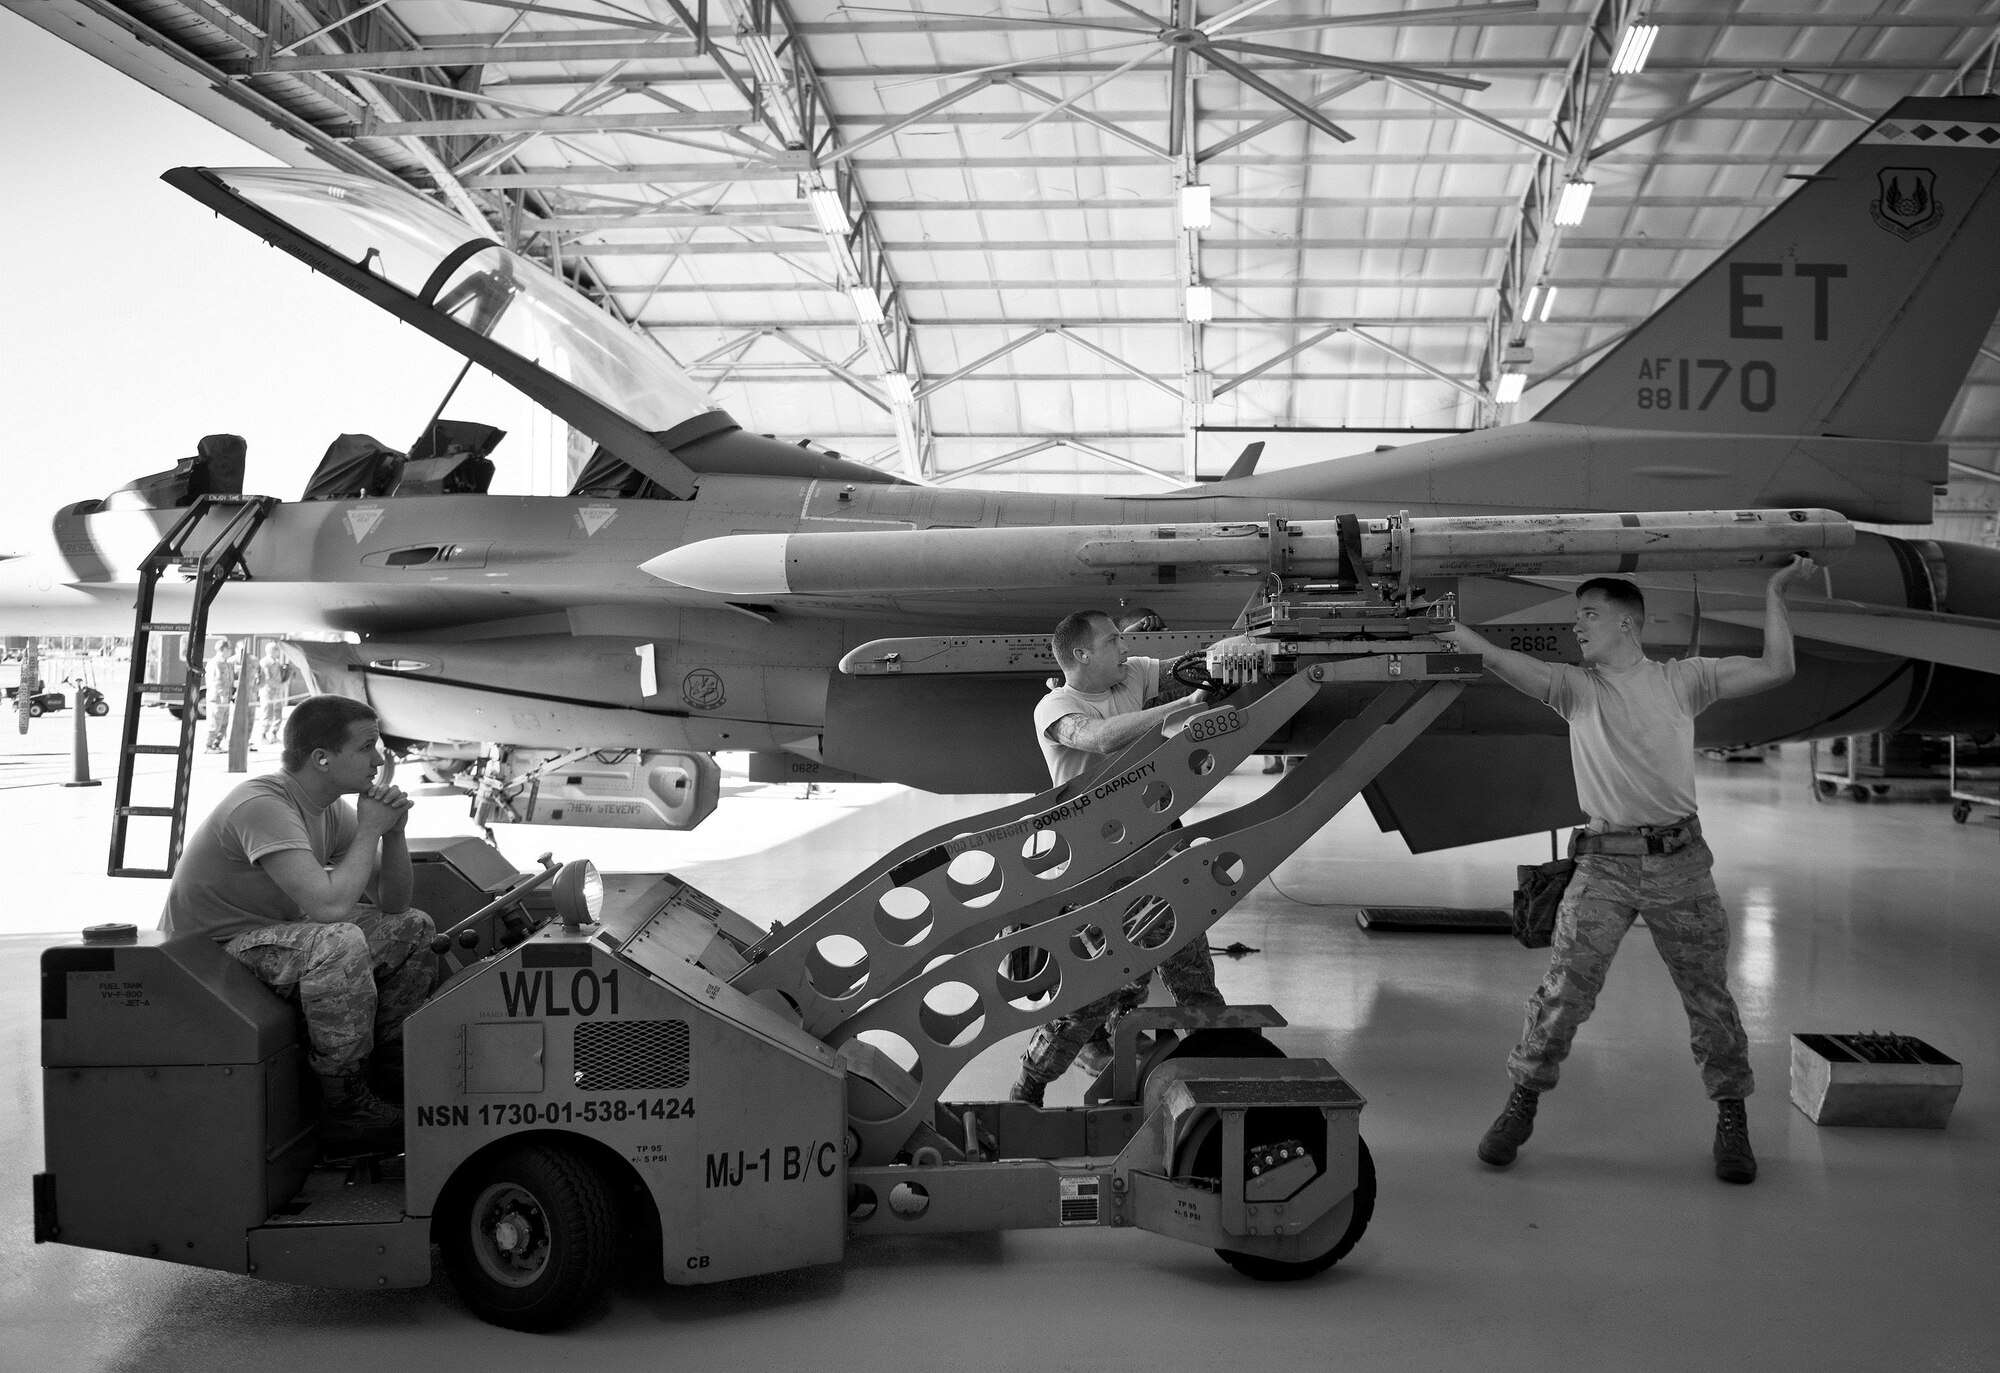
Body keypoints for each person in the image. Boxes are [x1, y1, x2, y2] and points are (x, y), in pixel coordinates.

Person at [1438, 555, 1820, 1184]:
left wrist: (1776, 592)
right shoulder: (1573, 688)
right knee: (1564, 992)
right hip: (1605, 867)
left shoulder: (1683, 681)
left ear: (1628, 624)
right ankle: (1520, 1104)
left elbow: (1778, 667)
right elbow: (1492, 657)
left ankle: (1732, 1118)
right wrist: (1434, 624)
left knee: (1709, 1000)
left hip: (1682, 864)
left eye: (1588, 615)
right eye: (1575, 617)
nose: (1577, 628)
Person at [162, 694, 435, 1152]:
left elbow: (394, 904)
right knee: (337, 941)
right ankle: (343, 1104)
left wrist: (394, 831)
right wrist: (369, 830)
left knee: (413, 927)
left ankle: (388, 1075)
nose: (379, 759)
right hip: (210, 956)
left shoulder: (328, 808)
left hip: (266, 939)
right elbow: (329, 908)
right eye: (367, 746)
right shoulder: (263, 804)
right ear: (322, 759)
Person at [1010, 609, 1227, 1107]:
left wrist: (1253, 647)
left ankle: (1218, 1067)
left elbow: (1189, 666)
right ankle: (1029, 1087)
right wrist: (1186, 707)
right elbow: (1100, 739)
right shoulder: (1055, 706)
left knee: (1191, 958)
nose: (1125, 647)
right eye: (1113, 641)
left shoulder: (1133, 674)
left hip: (1157, 841)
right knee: (1099, 983)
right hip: (1098, 858)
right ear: (1081, 654)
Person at [255, 641, 295, 744]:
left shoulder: (277, 662)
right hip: (268, 692)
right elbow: (267, 679)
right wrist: (280, 686)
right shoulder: (264, 662)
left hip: (278, 693)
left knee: (278, 714)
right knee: (267, 714)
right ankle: (263, 735)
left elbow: (281, 676)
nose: (278, 652)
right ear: (270, 651)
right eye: (276, 649)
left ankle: (273, 733)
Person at [202, 639, 238, 752]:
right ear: (225, 649)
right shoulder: (215, 663)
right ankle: (209, 745)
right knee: (215, 723)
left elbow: (229, 680)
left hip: (226, 698)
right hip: (217, 699)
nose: (231, 651)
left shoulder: (226, 663)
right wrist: (222, 696)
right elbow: (215, 682)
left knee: (224, 723)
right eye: (230, 648)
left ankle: (216, 744)